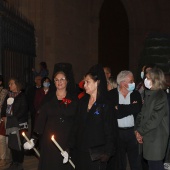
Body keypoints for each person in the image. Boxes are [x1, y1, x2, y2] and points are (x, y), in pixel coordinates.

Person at [24, 68, 78, 170]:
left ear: (67, 81)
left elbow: (76, 124)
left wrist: (69, 148)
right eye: (56, 80)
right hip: (49, 142)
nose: (59, 82)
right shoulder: (48, 99)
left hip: (66, 141)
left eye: (62, 79)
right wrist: (33, 139)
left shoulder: (74, 100)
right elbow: (41, 120)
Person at [70, 64, 117, 170]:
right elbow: (76, 125)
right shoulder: (82, 102)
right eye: (84, 82)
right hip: (81, 150)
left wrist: (108, 152)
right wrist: (69, 145)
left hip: (97, 153)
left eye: (88, 82)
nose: (84, 85)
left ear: (97, 82)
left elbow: (110, 130)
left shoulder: (106, 104)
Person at [135, 68, 169, 170]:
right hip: (148, 136)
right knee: (151, 165)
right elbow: (142, 114)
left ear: (156, 80)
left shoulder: (160, 96)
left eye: (148, 78)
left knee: (155, 166)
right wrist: (137, 129)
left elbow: (154, 120)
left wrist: (140, 131)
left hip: (156, 139)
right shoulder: (149, 94)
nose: (146, 80)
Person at [108, 70, 142, 170]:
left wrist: (119, 108)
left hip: (133, 132)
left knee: (135, 162)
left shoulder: (136, 94)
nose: (133, 83)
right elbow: (113, 114)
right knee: (119, 162)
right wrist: (130, 108)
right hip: (117, 132)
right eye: (131, 81)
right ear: (123, 82)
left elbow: (138, 109)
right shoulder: (111, 94)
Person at [1, 77, 28, 170]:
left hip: (19, 124)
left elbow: (23, 110)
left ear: (17, 84)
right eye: (9, 84)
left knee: (18, 144)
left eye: (11, 83)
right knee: (12, 144)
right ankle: (14, 162)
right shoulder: (9, 95)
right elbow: (4, 107)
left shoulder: (22, 96)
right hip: (10, 124)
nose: (9, 85)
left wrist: (11, 118)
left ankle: (19, 164)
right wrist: (3, 116)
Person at [0, 76, 11, 167]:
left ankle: (5, 158)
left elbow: (6, 106)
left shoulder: (5, 92)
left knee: (3, 138)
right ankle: (3, 157)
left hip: (3, 117)